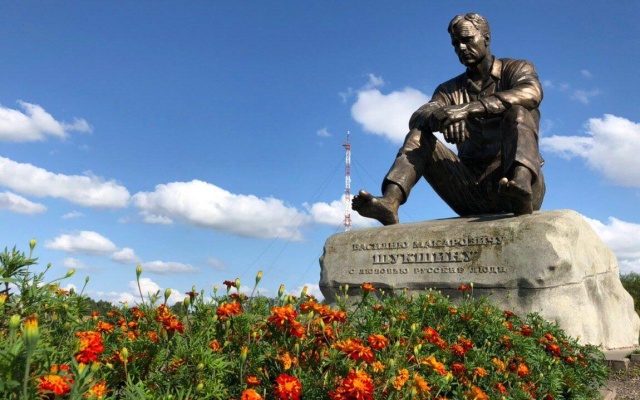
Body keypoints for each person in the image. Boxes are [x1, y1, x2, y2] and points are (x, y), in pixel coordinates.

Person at [352, 13, 546, 225]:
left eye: (467, 39)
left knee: (520, 111)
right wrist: (443, 116)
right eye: (456, 43)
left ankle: (520, 184)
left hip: (513, 184)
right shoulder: (448, 90)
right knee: (419, 135)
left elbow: (532, 93)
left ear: (486, 38)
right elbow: (419, 116)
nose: (461, 47)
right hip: (469, 191)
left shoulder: (517, 68)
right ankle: (390, 202)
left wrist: (466, 110)